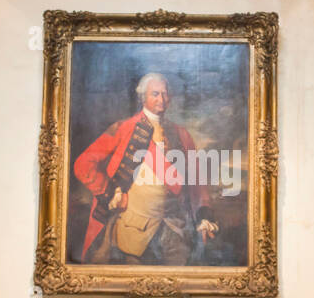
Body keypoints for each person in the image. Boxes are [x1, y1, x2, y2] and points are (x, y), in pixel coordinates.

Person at [73, 72, 218, 265]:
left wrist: (203, 216)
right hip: (134, 230)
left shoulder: (182, 135)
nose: (161, 99)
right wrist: (110, 193)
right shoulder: (123, 128)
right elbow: (83, 164)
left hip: (175, 229)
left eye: (165, 94)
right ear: (143, 97)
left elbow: (197, 182)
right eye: (155, 94)